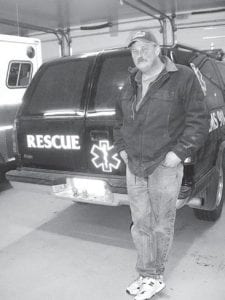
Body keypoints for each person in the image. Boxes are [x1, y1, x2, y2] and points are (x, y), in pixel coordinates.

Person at [113, 29, 209, 300]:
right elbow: (118, 120)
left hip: (163, 166)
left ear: (157, 49)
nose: (139, 54)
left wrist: (178, 154)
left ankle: (155, 276)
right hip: (134, 165)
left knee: (160, 224)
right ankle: (144, 273)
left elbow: (198, 121)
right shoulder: (130, 82)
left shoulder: (181, 78)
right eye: (134, 50)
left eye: (145, 47)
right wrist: (121, 148)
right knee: (139, 223)